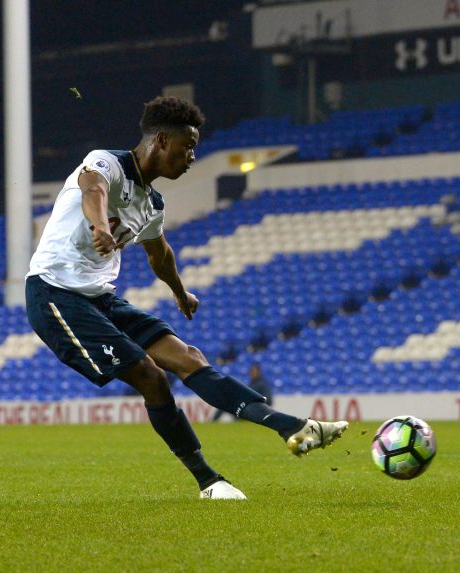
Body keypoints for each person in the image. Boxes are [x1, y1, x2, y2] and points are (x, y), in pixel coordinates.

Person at [25, 96, 347, 500]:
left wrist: (180, 293)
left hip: (100, 298)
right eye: (188, 145)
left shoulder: (152, 203)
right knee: (150, 375)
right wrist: (98, 225)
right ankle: (209, 481)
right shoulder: (106, 162)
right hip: (55, 293)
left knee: (189, 358)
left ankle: (294, 426)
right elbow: (93, 189)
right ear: (161, 139)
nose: (192, 156)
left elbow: (159, 253)